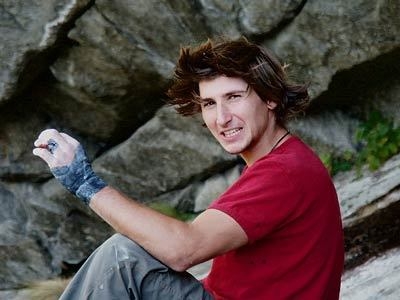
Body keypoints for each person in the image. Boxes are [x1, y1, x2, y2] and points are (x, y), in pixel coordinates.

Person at [33, 37, 344, 299]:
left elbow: (183, 249)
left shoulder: (283, 174)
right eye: (210, 104)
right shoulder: (287, 161)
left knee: (123, 259)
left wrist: (85, 183)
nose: (221, 118)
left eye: (234, 97)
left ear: (270, 98)